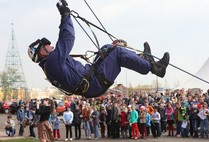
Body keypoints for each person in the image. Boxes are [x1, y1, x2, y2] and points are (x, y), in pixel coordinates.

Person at [28, 0, 170, 99]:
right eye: (48, 45)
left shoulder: (50, 67)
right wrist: (65, 15)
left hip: (91, 81)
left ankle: (145, 61)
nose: (51, 46)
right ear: (42, 51)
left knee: (107, 48)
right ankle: (155, 67)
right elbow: (67, 38)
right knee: (117, 52)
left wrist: (111, 50)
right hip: (94, 83)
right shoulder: (52, 62)